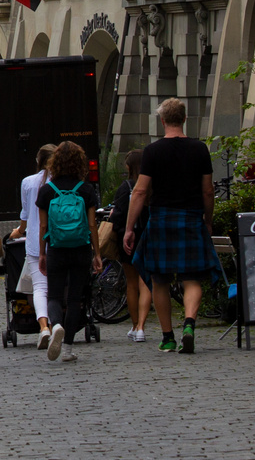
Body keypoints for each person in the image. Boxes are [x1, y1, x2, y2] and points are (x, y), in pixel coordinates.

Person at [123, 97, 217, 354]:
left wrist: (130, 228)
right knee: (192, 277)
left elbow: (140, 192)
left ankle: (168, 337)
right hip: (190, 219)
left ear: (162, 121)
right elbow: (207, 191)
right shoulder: (200, 149)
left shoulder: (152, 152)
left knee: (159, 281)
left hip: (161, 220)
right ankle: (189, 323)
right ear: (184, 119)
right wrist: (208, 221)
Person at [37, 141, 101, 363]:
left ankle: (56, 325)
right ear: (79, 163)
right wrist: (97, 253)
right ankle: (68, 350)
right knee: (75, 299)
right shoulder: (86, 190)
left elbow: (43, 227)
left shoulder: (46, 191)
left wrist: (42, 253)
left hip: (56, 248)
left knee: (54, 295)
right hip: (80, 249)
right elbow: (92, 225)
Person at [7, 143, 56, 350]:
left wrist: (16, 232)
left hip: (36, 241)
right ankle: (57, 324)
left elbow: (25, 219)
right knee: (57, 286)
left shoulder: (28, 183)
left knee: (39, 287)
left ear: (38, 161)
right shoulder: (61, 182)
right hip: (59, 241)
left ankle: (43, 326)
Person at [106, 149, 150, 342]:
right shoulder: (150, 185)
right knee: (146, 282)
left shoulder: (125, 188)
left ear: (129, 166)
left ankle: (134, 325)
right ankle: (142, 326)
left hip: (128, 237)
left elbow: (117, 216)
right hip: (148, 236)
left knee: (131, 283)